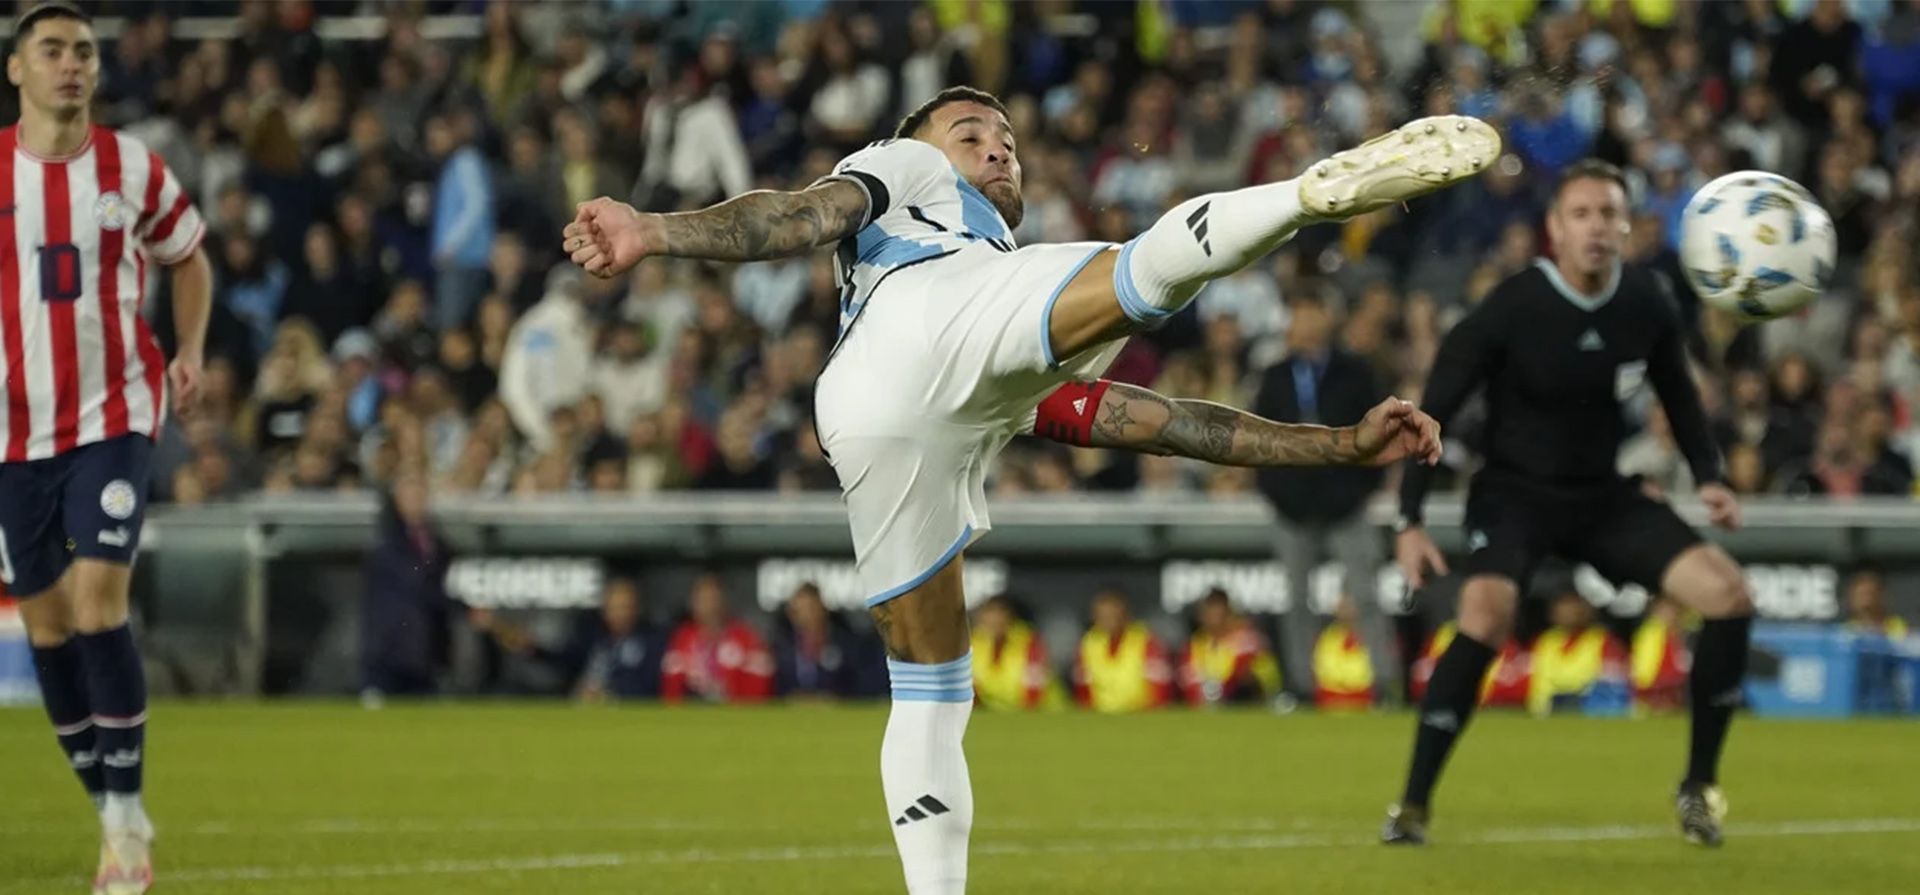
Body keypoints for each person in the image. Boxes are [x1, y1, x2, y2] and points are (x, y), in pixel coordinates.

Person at [566, 85, 1485, 894]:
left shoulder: (994, 316)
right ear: (922, 143)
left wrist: (1336, 445)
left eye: (1005, 137)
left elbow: (1155, 420)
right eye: (970, 132)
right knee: (1142, 273)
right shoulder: (905, 172)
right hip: (922, 321)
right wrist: (656, 231)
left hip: (872, 408)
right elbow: (802, 214)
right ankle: (1301, 195)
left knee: (931, 692)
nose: (995, 145)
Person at [1388, 159, 1754, 848]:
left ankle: (1699, 788)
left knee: (1728, 594)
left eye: (1608, 213)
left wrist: (1710, 474)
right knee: (1487, 613)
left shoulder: (1645, 301)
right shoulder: (1510, 305)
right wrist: (1408, 520)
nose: (1596, 227)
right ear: (1554, 228)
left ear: (1626, 226)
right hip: (1514, 494)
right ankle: (1411, 804)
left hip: (1601, 496)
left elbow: (1680, 393)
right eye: (1580, 213)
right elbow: (1427, 413)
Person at [0, 6, 211, 893]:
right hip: (15, 433)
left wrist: (191, 350)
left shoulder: (132, 166)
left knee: (97, 604)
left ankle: (126, 823)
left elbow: (189, 256)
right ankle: (114, 810)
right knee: (48, 627)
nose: (72, 65)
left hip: (117, 414)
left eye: (84, 51)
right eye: (52, 51)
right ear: (17, 69)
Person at [1253, 286, 1399, 705]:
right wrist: (1275, 492)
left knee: (1367, 596)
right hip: (1292, 507)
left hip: (1346, 505)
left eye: (1308, 314)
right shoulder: (1277, 374)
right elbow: (1257, 437)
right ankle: (1299, 686)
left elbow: (1379, 435)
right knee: (1296, 601)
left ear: (1325, 320)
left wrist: (1361, 489)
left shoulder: (1354, 371)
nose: (1300, 324)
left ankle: (1384, 684)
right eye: (1295, 315)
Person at [660, 573, 774, 703]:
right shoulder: (682, 637)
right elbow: (671, 688)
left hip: (736, 716)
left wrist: (727, 692)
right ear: (693, 604)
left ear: (725, 602)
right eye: (703, 600)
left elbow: (760, 688)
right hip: (692, 715)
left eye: (714, 599)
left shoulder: (747, 637)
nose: (710, 607)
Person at [1070, 588, 1172, 713]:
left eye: (1111, 616)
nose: (1106, 621)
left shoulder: (1145, 640)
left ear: (1124, 615)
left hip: (1140, 714)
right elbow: (1083, 688)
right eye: (1101, 616)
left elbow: (1160, 689)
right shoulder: (1089, 643)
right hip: (1101, 715)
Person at [1178, 588, 1282, 706]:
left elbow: (1243, 676)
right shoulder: (1197, 643)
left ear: (1228, 611)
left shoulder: (1246, 639)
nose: (1213, 617)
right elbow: (1188, 681)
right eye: (1209, 610)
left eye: (1218, 609)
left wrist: (1221, 690)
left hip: (1251, 702)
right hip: (1210, 704)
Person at [968, 594, 1061, 711]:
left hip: (1040, 712)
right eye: (990, 614)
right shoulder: (974, 643)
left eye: (1000, 613)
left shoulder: (1029, 641)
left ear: (1011, 617)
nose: (995, 620)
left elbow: (1034, 691)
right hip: (991, 712)